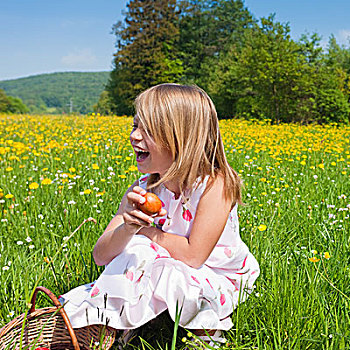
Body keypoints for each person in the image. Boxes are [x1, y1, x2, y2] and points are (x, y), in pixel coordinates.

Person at [60, 83, 260, 347]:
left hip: (217, 274)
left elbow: (193, 255)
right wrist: (128, 227)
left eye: (148, 130)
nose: (134, 136)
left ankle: (205, 334)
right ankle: (106, 320)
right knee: (139, 249)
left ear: (182, 138)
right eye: (134, 126)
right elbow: (101, 256)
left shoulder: (214, 185)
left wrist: (145, 232)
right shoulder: (143, 188)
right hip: (170, 263)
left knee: (147, 249)